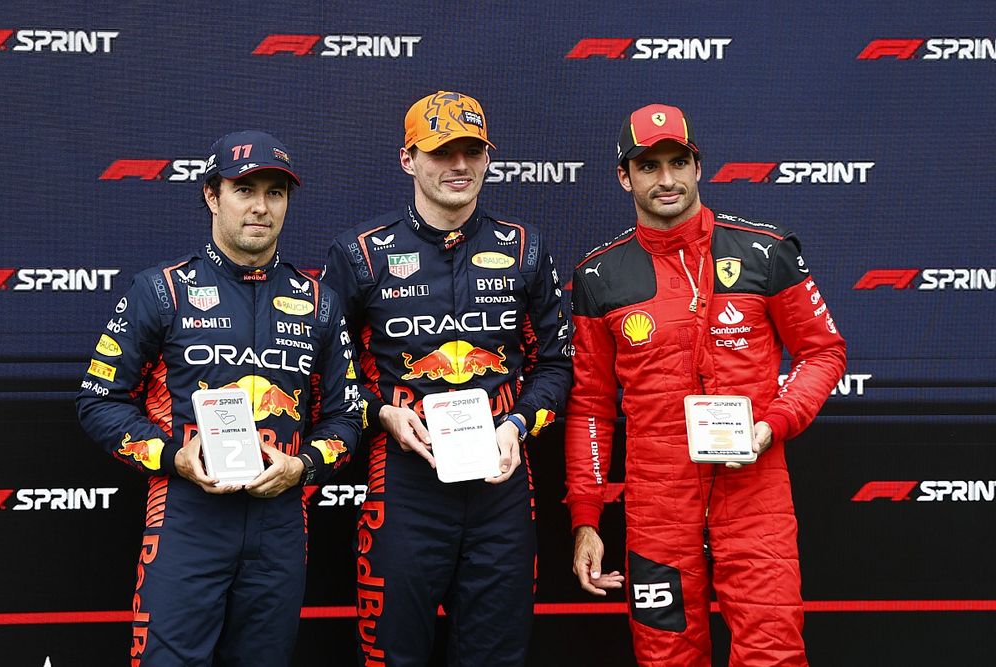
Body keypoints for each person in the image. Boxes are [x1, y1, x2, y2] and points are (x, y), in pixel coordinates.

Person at [565, 103, 847, 666]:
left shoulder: (764, 252)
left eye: (677, 162)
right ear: (625, 176)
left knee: (773, 654)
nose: (665, 179)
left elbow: (823, 351)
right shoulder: (599, 276)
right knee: (665, 656)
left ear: (698, 167)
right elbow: (591, 408)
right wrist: (586, 520)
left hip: (755, 490)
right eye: (648, 167)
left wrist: (774, 423)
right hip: (656, 503)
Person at [76, 130, 363, 665]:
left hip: (280, 524)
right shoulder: (160, 289)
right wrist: (171, 457)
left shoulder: (320, 301)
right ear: (212, 195)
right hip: (187, 518)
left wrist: (303, 465)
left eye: (275, 192)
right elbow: (99, 401)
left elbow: (348, 415)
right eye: (244, 189)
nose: (260, 206)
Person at [323, 90, 571, 667]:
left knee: (495, 656)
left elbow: (556, 364)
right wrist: (382, 413)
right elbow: (325, 376)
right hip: (404, 485)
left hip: (501, 485)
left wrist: (517, 424)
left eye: (471, 150)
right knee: (393, 655)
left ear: (488, 158)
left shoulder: (525, 249)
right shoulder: (361, 254)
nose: (458, 165)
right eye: (440, 152)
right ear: (408, 159)